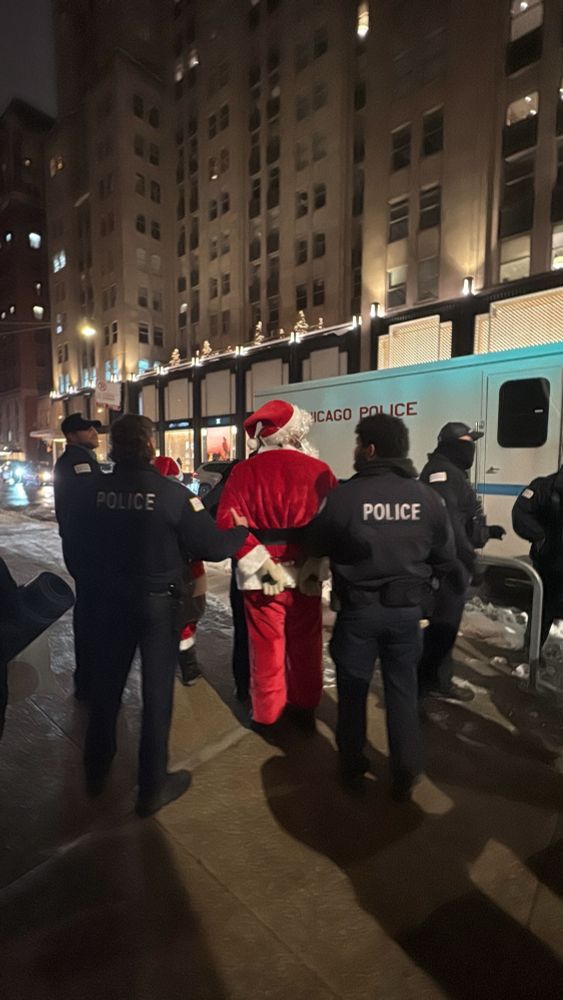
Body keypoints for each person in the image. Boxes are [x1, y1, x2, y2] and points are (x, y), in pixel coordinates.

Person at [67, 414, 250, 816]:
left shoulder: (92, 491)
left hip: (108, 602)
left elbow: (75, 544)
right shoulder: (171, 495)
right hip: (156, 605)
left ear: (114, 445)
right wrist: (239, 531)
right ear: (150, 445)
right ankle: (152, 786)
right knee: (155, 695)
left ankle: (96, 771)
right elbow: (212, 546)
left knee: (106, 688)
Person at [301, 413, 462, 801]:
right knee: (402, 692)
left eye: (358, 444)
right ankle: (405, 773)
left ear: (370, 450)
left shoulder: (343, 497)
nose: (356, 451)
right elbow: (446, 556)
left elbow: (312, 543)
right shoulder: (428, 498)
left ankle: (353, 767)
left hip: (358, 614)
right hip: (407, 615)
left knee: (353, 694)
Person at [217, 400, 338, 730]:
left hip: (261, 574)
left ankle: (267, 713)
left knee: (265, 646)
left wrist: (260, 559)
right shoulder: (320, 470)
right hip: (306, 570)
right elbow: (334, 522)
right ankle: (304, 710)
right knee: (306, 643)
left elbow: (226, 522)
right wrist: (314, 557)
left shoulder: (244, 472)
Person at [418, 422, 506, 702]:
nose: (471, 448)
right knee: (442, 628)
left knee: (445, 627)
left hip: (454, 561)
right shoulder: (441, 474)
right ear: (450, 444)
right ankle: (425, 685)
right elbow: (448, 526)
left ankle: (435, 680)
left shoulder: (453, 471)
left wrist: (486, 532)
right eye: (466, 441)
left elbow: (462, 518)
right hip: (447, 565)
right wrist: (468, 561)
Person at [54, 412, 102, 700]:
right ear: (72, 435)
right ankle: (88, 678)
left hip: (80, 546)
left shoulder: (79, 460)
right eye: (87, 430)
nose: (94, 433)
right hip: (86, 548)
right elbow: (91, 503)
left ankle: (88, 676)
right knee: (90, 612)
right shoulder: (77, 462)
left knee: (90, 609)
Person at [154, 455, 205, 686]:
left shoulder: (149, 499)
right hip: (190, 570)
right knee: (188, 617)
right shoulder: (187, 499)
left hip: (158, 572)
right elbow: (203, 537)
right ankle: (189, 667)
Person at [512, 467, 563, 648]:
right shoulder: (545, 487)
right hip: (551, 564)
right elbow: (521, 513)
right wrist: (541, 537)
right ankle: (532, 654)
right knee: (542, 611)